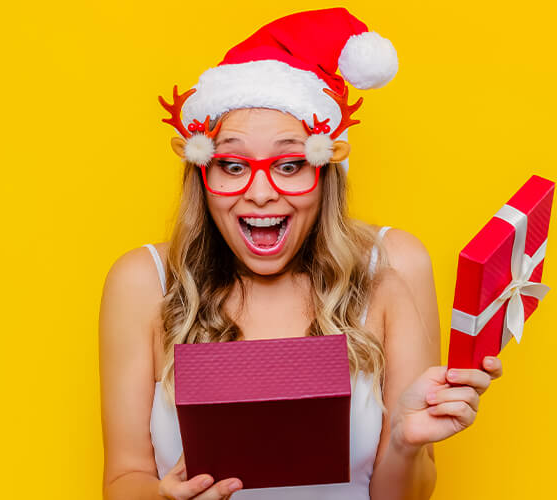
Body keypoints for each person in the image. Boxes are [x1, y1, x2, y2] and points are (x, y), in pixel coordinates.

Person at [99, 8, 503, 500]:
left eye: (290, 165)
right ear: (202, 175)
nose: (262, 193)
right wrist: (163, 499)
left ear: (326, 171)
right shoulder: (145, 280)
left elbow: (404, 495)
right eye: (232, 165)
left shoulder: (393, 265)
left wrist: (403, 442)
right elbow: (123, 479)